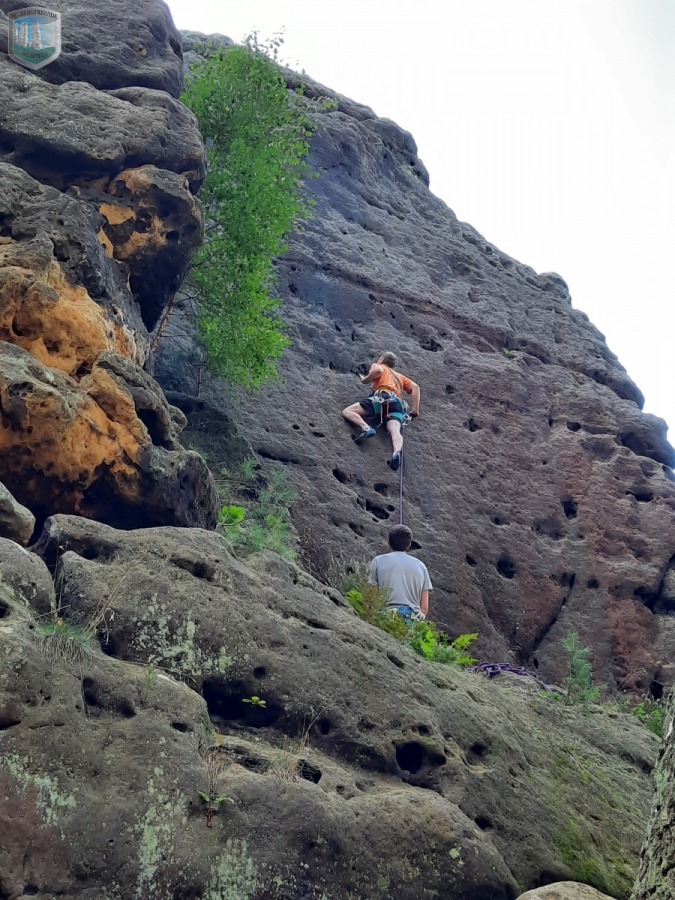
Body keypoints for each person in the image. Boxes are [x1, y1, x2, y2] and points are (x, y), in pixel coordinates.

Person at [341, 352, 420, 471]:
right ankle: (396, 452)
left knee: (348, 411)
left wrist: (365, 379)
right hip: (397, 405)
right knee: (395, 430)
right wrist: (415, 410)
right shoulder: (400, 376)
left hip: (382, 399)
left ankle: (365, 428)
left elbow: (378, 371)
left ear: (382, 359)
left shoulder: (379, 365)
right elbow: (415, 387)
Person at [368, 524, 432, 623]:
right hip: (413, 619)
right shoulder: (421, 566)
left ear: (389, 542)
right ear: (409, 545)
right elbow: (424, 608)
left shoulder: (377, 561)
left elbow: (373, 598)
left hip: (385, 617)